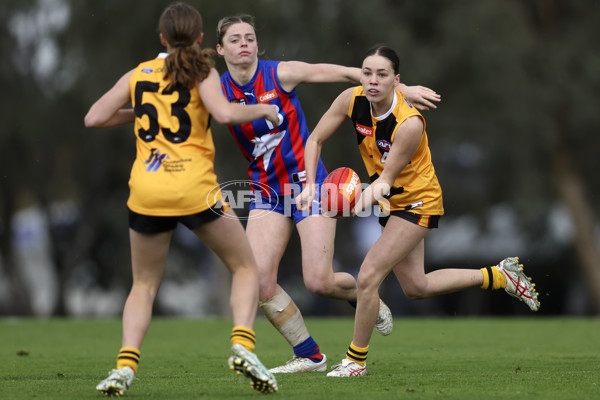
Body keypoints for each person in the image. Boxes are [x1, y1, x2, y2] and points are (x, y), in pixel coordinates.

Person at [215, 15, 442, 374]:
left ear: (258, 45)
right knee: (259, 281)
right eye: (234, 39)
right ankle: (309, 354)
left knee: (318, 282)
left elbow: (350, 73)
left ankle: (362, 295)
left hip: (310, 186)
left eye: (250, 38)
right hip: (266, 192)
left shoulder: (281, 73)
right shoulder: (215, 88)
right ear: (220, 49)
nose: (243, 44)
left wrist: (404, 90)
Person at [296, 45, 541, 377]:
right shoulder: (351, 99)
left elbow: (383, 182)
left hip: (417, 202)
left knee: (367, 278)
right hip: (389, 202)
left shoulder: (409, 123)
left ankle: (355, 362)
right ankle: (499, 275)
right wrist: (311, 184)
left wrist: (347, 204)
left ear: (396, 81)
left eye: (382, 75)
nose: (372, 81)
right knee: (416, 287)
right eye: (367, 73)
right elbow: (314, 141)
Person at [84, 3, 279, 395]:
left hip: (147, 191)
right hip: (195, 189)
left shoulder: (139, 73)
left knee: (143, 285)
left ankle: (124, 367)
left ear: (161, 38)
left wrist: (139, 111)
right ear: (202, 39)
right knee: (244, 267)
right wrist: (265, 110)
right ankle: (243, 344)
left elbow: (94, 118)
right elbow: (224, 114)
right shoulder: (202, 71)